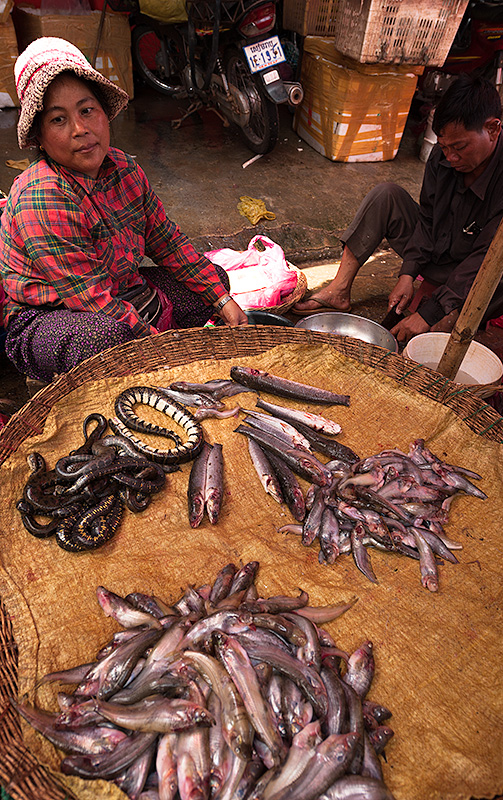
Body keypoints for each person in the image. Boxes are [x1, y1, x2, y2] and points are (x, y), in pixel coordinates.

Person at [0, 37, 248, 383]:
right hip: (49, 315)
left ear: (104, 113)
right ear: (40, 137)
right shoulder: (40, 196)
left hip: (120, 290)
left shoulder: (124, 169)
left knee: (215, 280)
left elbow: (168, 243)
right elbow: (91, 298)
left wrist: (222, 300)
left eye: (87, 110)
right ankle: (60, 369)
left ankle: (133, 349)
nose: (80, 129)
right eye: (58, 120)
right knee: (104, 338)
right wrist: (158, 349)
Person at [292, 74, 503, 343]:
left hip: (482, 273)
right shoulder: (444, 156)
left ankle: (449, 311)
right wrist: (407, 273)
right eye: (444, 147)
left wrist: (430, 312)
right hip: (438, 255)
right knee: (386, 196)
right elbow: (427, 218)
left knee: (440, 328)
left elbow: (485, 260)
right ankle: (339, 289)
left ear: (493, 129)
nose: (450, 157)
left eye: (459, 147)